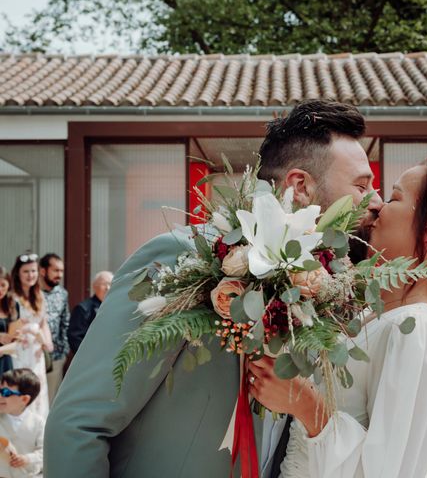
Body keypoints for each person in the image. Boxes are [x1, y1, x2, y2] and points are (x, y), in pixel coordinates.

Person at [44, 99, 383, 477]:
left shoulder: (317, 285)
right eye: (361, 185)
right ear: (300, 186)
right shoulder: (181, 257)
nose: (377, 202)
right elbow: (78, 424)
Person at [249, 157, 427, 477]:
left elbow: (387, 470)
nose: (377, 205)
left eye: (394, 198)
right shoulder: (385, 312)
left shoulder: (417, 331)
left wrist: (306, 405)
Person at [10, 254, 53, 422]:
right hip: (19, 348)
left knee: (38, 387)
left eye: (33, 271)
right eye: (26, 271)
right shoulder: (12, 297)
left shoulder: (40, 296)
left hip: (36, 350)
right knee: (20, 385)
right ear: (18, 273)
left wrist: (47, 343)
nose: (30, 275)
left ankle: (38, 429)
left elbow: (43, 323)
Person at [0, 368, 45, 477]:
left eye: (6, 392)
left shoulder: (38, 423)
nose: (0, 396)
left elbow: (44, 451)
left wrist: (28, 458)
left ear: (24, 399)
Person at [38, 253, 70, 403]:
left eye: (61, 271)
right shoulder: (31, 293)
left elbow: (65, 323)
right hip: (33, 354)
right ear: (43, 271)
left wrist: (63, 353)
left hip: (55, 358)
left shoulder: (62, 294)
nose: (60, 275)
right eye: (56, 270)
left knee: (51, 400)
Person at [67, 271, 113, 355]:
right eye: (104, 284)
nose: (108, 288)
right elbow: (75, 338)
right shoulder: (83, 308)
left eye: (110, 284)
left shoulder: (115, 306)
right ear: (94, 287)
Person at [0, 267, 16, 374]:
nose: (0, 289)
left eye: (3, 285)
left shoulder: (13, 305)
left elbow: (15, 339)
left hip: (6, 358)